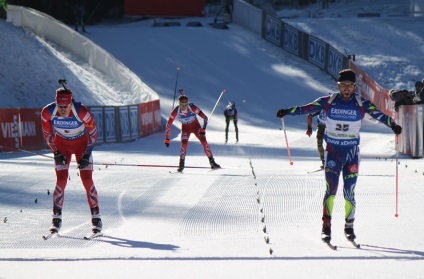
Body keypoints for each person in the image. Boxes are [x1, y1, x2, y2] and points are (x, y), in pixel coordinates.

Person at [276, 69, 402, 244]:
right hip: (333, 152)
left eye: (350, 85)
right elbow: (306, 108)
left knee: (349, 192)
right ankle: (326, 228)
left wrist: (393, 125)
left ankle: (349, 227)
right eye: (343, 85)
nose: (346, 89)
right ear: (338, 86)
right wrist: (287, 111)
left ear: (354, 86)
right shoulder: (328, 101)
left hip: (351, 154)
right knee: (331, 190)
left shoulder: (360, 102)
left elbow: (379, 115)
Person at [41, 87, 102, 235]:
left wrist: (87, 155)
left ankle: (96, 218)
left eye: (65, 107)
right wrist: (56, 152)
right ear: (55, 103)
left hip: (82, 145)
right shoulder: (47, 112)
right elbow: (47, 134)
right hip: (62, 145)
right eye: (59, 106)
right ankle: (56, 219)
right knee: (61, 180)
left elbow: (93, 134)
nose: (62, 110)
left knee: (87, 180)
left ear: (70, 104)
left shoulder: (81, 112)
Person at [165, 94, 221, 172]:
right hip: (185, 128)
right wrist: (167, 138)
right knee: (184, 144)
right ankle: (181, 165)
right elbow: (168, 125)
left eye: (186, 104)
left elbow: (205, 118)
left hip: (196, 127)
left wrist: (203, 129)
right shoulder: (175, 111)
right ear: (179, 104)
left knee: (204, 142)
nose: (184, 106)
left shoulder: (193, 108)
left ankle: (212, 162)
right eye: (182, 105)